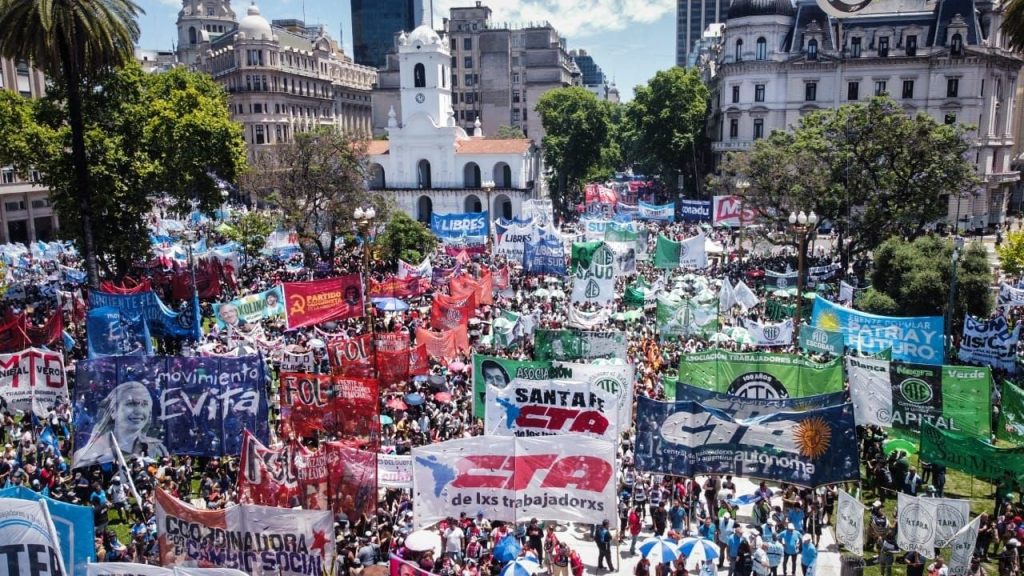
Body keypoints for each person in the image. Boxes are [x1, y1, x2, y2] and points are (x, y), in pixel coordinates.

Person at [73, 382, 169, 467]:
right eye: (131, 404)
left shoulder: (157, 448)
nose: (139, 411)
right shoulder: (87, 455)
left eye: (144, 404)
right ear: (113, 411)